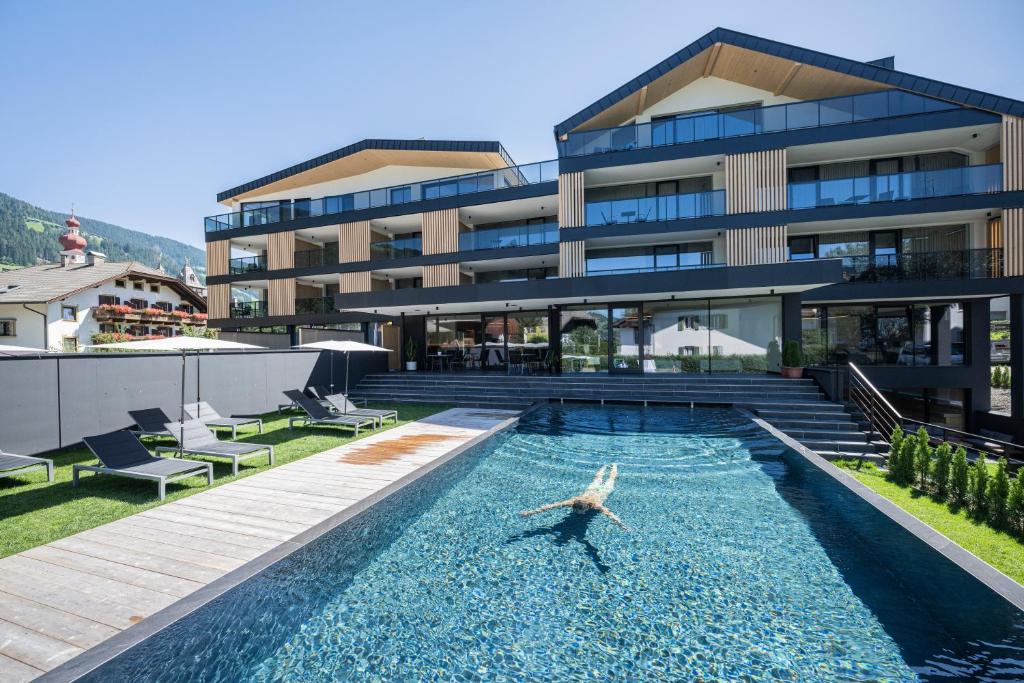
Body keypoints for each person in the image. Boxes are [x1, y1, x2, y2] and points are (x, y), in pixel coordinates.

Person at [520, 464, 628, 530]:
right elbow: (551, 506)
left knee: (610, 479)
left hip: (602, 492)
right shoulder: (571, 502)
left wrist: (620, 525)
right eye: (575, 510)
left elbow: (610, 515)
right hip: (592, 490)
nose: (577, 512)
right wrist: (531, 512)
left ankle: (614, 466)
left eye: (579, 511)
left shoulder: (596, 505)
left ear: (587, 507)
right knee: (598, 478)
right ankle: (605, 466)